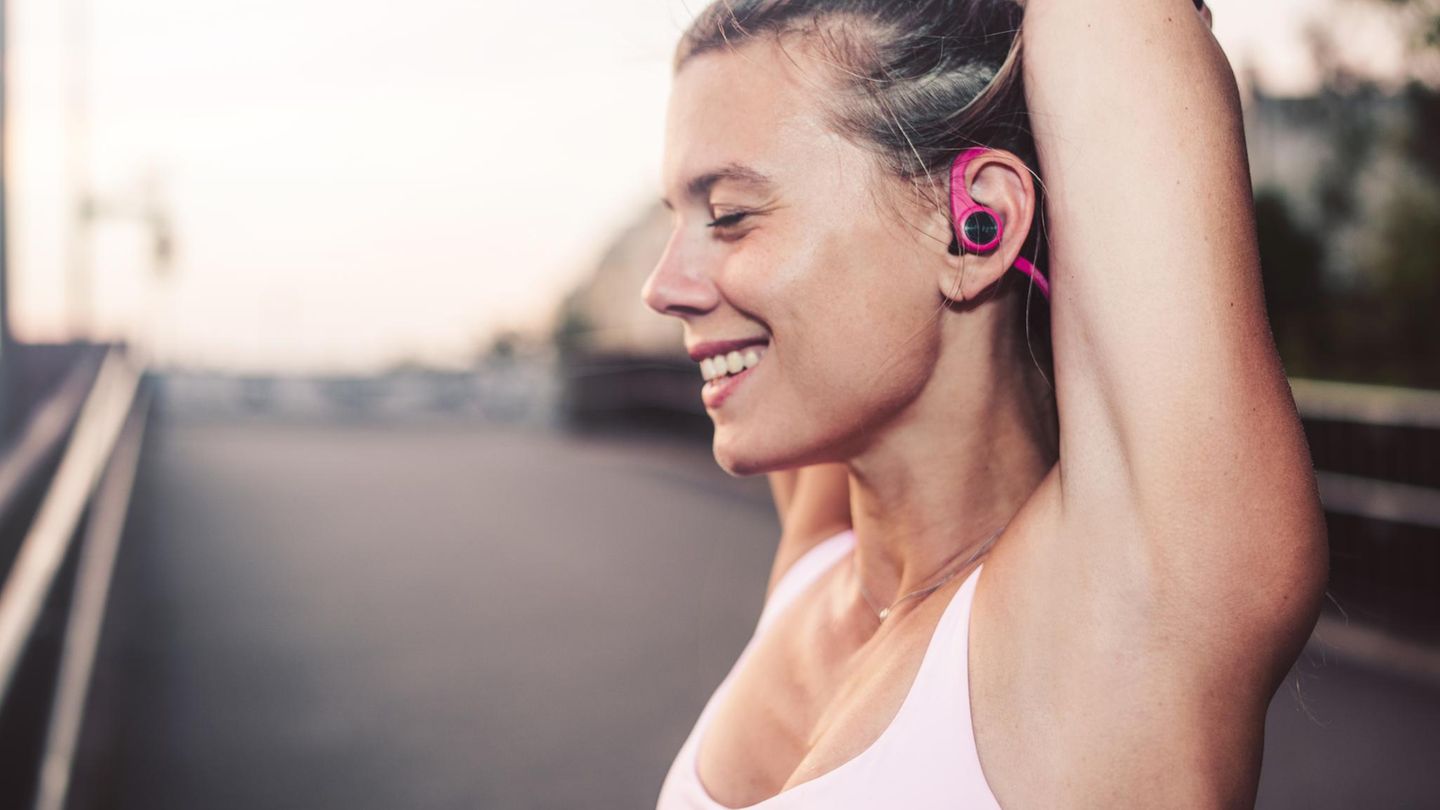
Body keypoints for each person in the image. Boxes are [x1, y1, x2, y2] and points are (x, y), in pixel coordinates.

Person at [642, 0, 1326, 805]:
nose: (662, 288)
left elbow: (1110, 29)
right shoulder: (819, 567)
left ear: (978, 223)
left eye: (730, 216)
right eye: (680, 218)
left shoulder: (1125, 619)